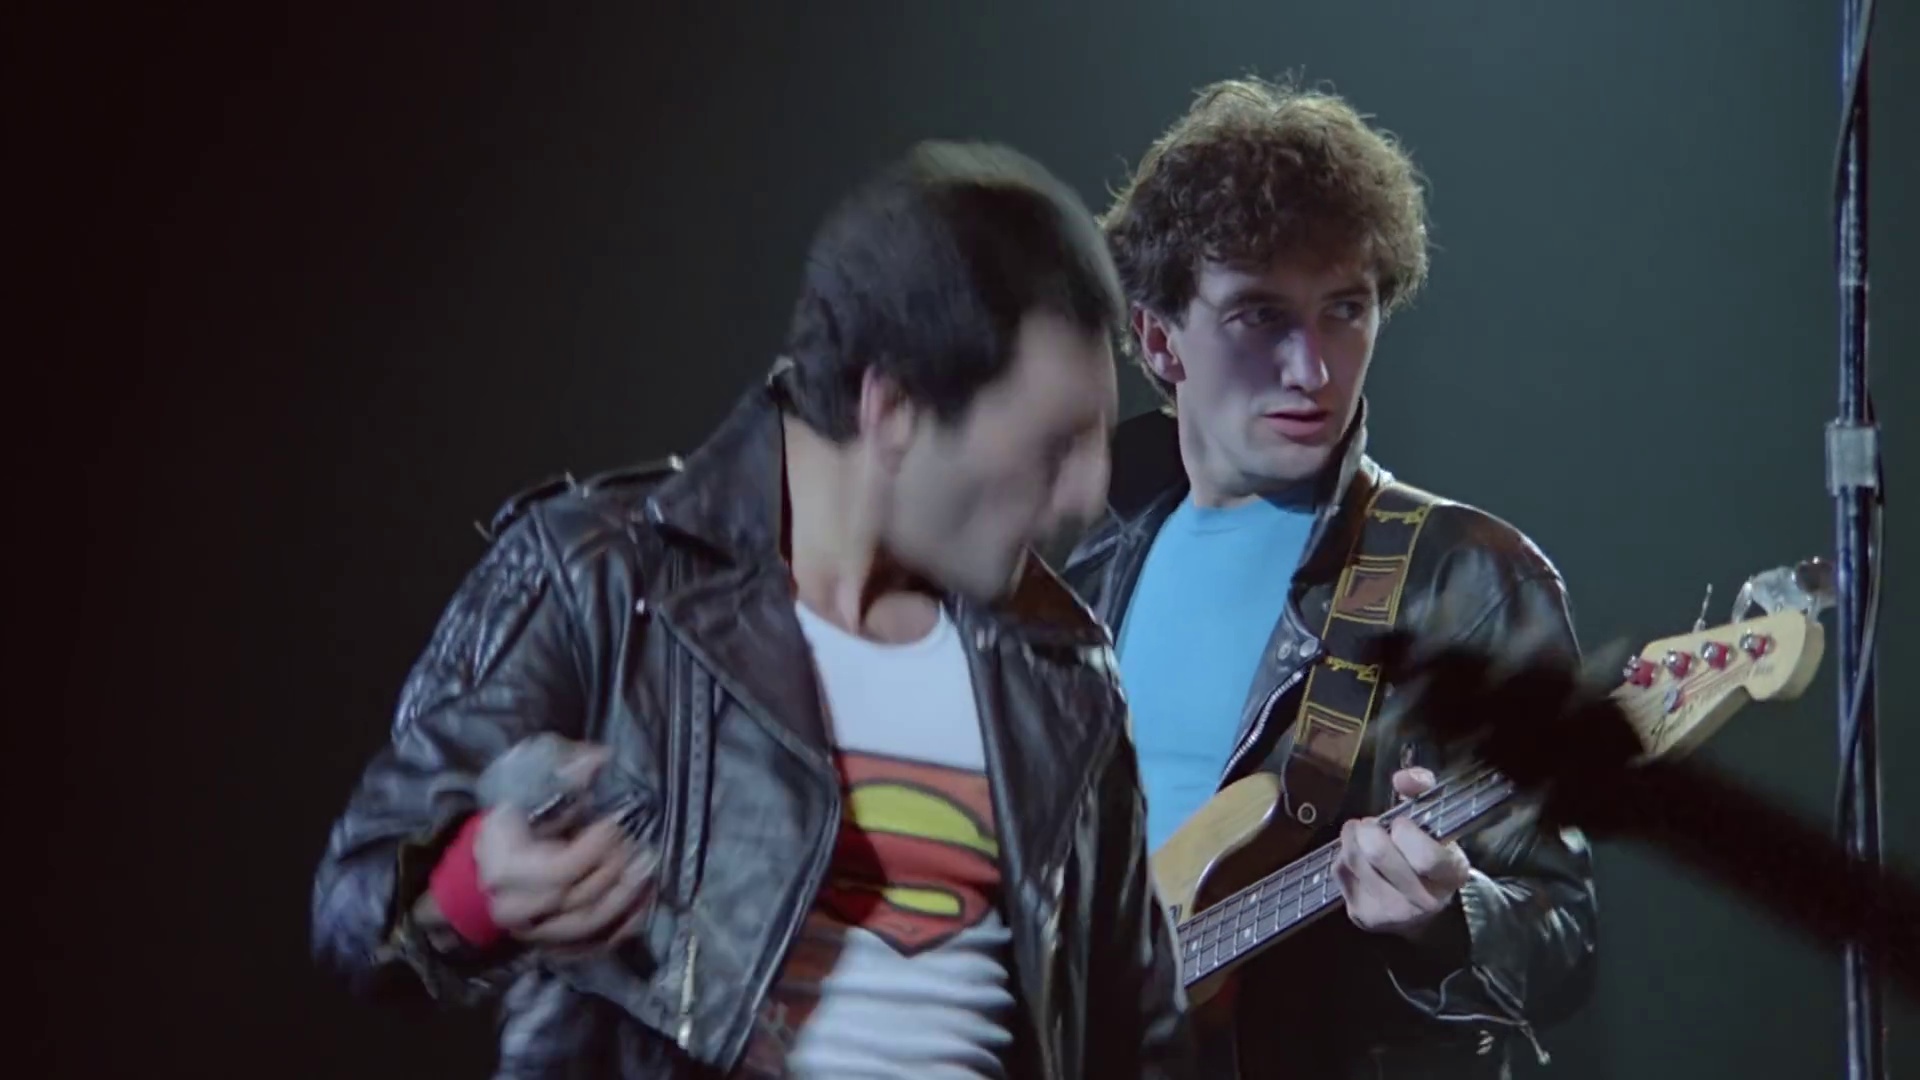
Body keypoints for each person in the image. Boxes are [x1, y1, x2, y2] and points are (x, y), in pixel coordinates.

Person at [311, 140, 1195, 1079]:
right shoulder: (606, 576)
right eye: (1054, 447)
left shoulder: (1062, 670)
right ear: (892, 409)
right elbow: (357, 903)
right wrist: (479, 886)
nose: (1088, 493)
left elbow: (1142, 1044)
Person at [1058, 78, 1598, 1078]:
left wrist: (1448, 918)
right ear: (1158, 339)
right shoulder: (1072, 550)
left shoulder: (1468, 579)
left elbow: (1563, 935)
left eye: (1345, 309)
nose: (1312, 370)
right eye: (1260, 317)